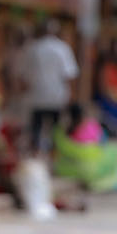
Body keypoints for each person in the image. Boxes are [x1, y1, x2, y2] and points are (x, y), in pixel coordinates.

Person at [18, 19, 79, 152]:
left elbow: (24, 75)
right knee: (55, 127)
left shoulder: (33, 48)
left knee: (36, 126)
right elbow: (69, 74)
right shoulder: (62, 48)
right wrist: (71, 94)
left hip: (37, 95)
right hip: (57, 95)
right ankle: (53, 153)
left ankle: (35, 152)